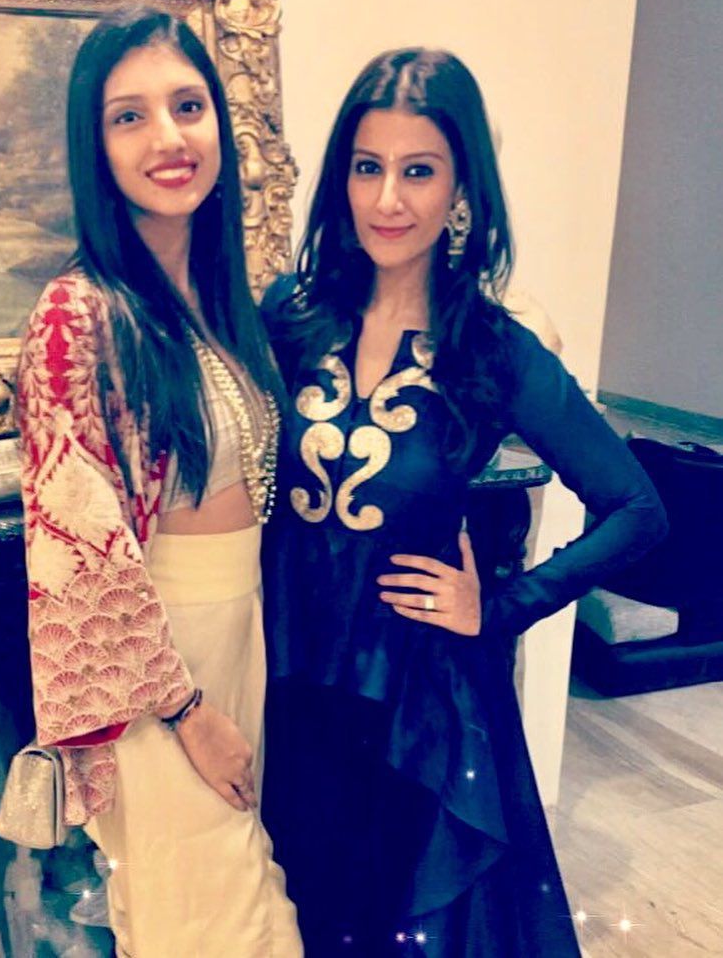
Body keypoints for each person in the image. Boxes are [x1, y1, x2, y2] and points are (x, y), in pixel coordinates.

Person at [260, 48, 668, 957]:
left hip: (412, 702)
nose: (387, 199)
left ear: (460, 189)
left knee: (384, 925)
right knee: (296, 917)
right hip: (286, 684)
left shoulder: (492, 349)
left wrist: (505, 606)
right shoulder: (291, 316)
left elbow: (637, 509)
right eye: (367, 167)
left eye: (418, 171)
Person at [17, 7, 302, 957]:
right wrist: (187, 713)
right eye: (129, 117)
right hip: (158, 676)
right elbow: (77, 557)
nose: (169, 138)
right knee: (225, 930)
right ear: (95, 148)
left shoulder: (222, 305)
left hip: (238, 639)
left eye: (187, 106)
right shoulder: (78, 313)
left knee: (220, 915)